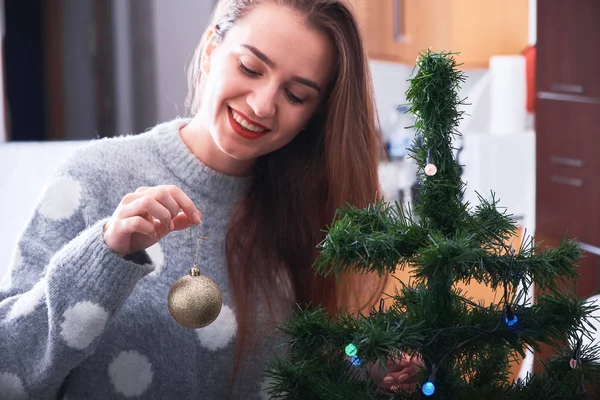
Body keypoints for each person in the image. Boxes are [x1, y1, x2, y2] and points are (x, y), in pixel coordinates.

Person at [0, 0, 420, 398]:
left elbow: (319, 356)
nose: (262, 105)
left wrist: (368, 368)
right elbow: (9, 371)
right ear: (210, 49)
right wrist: (103, 254)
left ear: (316, 114)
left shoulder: (309, 213)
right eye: (250, 67)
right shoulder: (91, 178)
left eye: (296, 96)